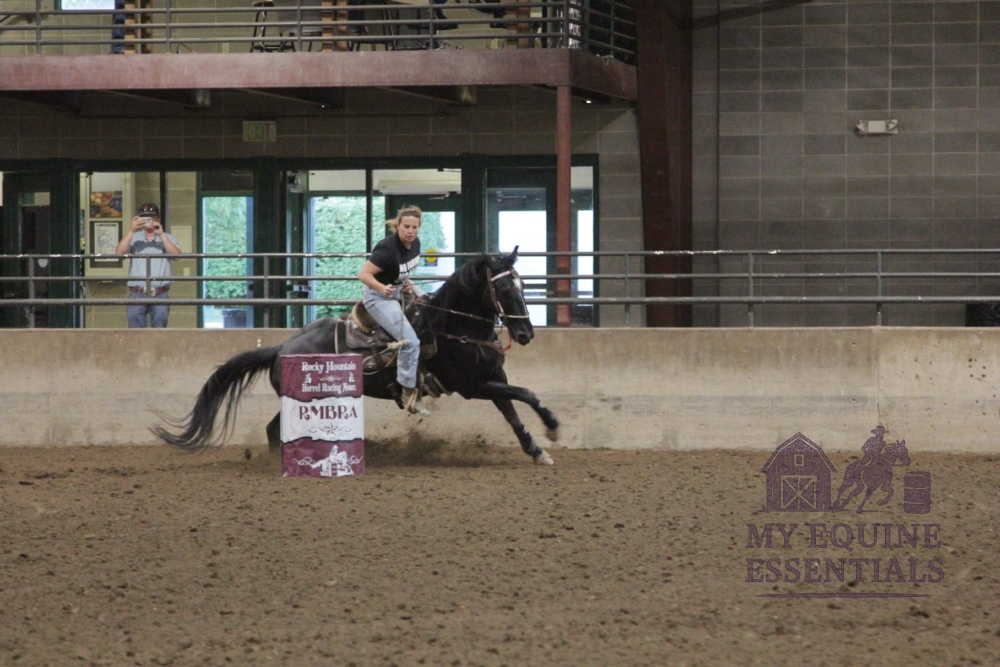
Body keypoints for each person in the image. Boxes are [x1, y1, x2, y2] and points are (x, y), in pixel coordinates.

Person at [357, 205, 430, 416]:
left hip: (398, 290)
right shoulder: (387, 250)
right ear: (398, 226)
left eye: (414, 227)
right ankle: (408, 390)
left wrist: (407, 284)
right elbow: (363, 274)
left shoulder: (415, 244)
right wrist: (382, 288)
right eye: (406, 226)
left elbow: (402, 270)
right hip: (379, 298)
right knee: (410, 341)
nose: (410, 231)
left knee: (429, 304)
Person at [116, 202, 182, 328]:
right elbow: (119, 253)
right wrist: (131, 230)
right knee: (135, 331)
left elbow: (176, 256)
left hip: (160, 292)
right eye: (145, 217)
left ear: (158, 218)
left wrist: (161, 234)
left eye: (151, 217)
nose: (148, 220)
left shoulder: (168, 238)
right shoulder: (134, 237)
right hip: (136, 292)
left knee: (159, 330)